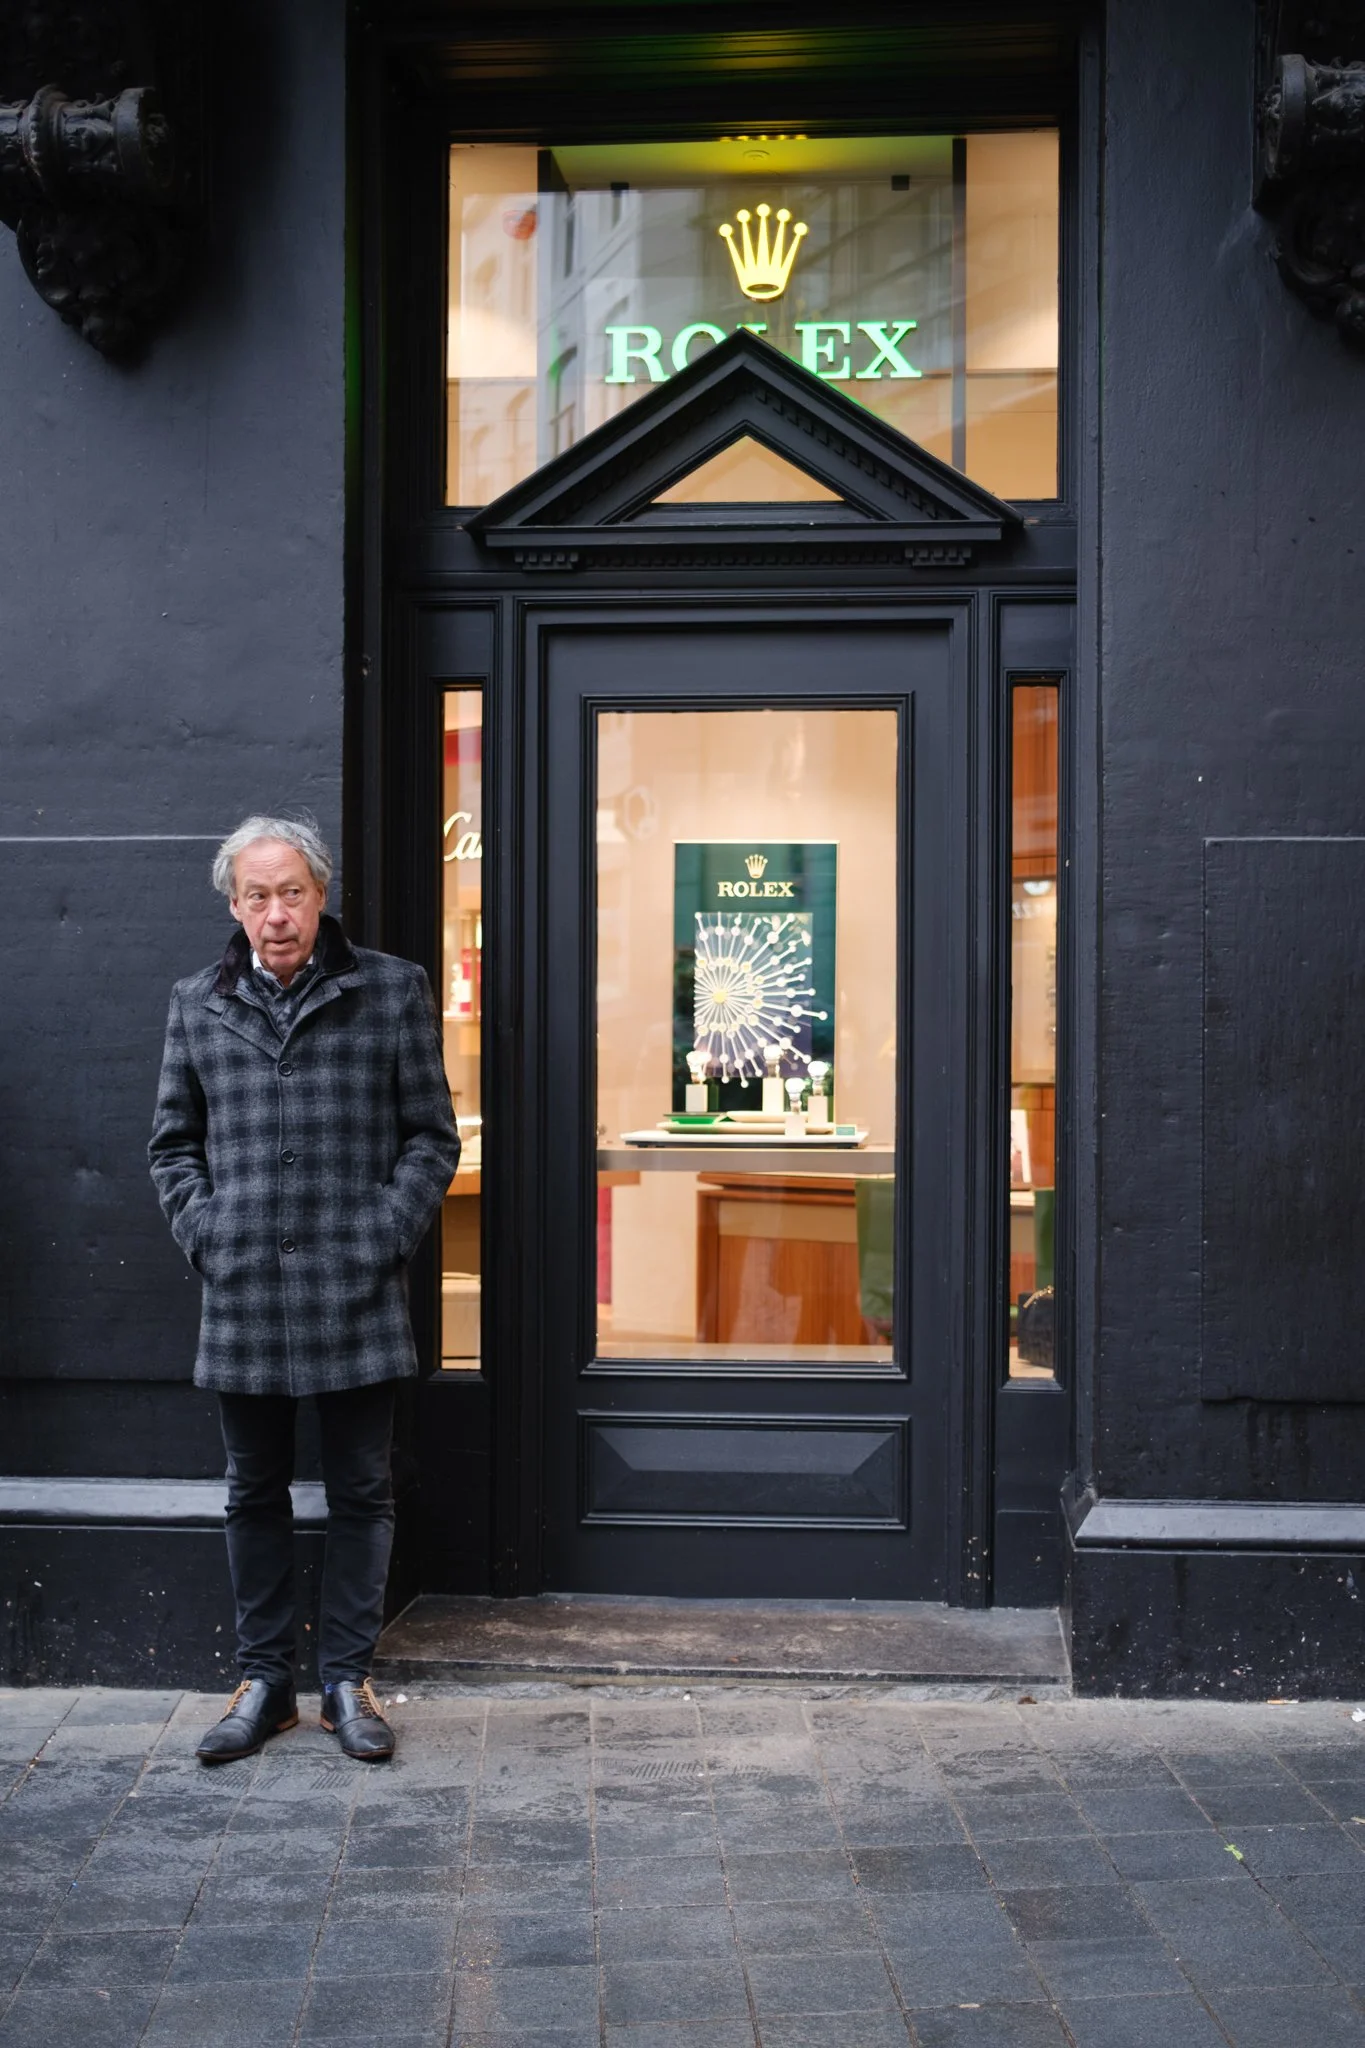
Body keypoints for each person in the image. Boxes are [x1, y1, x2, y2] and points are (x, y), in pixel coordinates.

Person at [148, 815, 460, 1763]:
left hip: (352, 1287)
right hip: (243, 1288)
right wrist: (210, 1236)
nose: (276, 914)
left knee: (362, 1488)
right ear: (233, 904)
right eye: (257, 896)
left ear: (321, 895)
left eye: (291, 893)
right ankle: (265, 1684)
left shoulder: (390, 990)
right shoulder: (197, 1002)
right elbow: (172, 1146)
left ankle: (348, 1683)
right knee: (254, 1491)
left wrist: (381, 1237)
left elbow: (431, 1136)